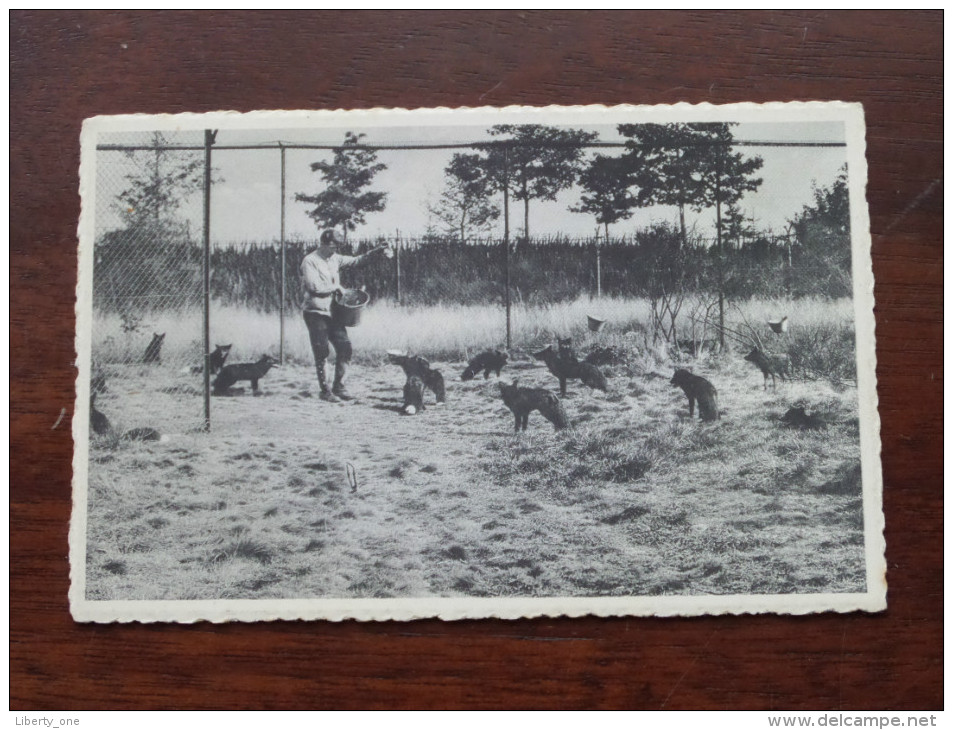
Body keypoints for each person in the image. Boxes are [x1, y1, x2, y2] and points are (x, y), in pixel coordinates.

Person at [301, 229, 392, 402]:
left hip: (334, 311)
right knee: (322, 351)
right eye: (333, 246)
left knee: (345, 347)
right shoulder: (310, 261)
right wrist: (335, 288)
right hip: (315, 312)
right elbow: (314, 288)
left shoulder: (335, 259)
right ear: (325, 243)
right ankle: (325, 391)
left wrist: (377, 251)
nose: (335, 249)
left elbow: (357, 261)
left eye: (337, 246)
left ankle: (340, 387)